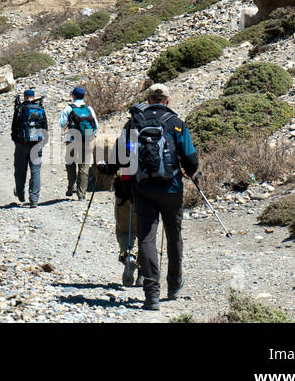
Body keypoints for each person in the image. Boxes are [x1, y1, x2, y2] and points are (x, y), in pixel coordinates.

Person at [125, 84, 199, 311]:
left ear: (148, 100)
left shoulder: (135, 122)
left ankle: (151, 294)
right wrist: (191, 171)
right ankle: (174, 284)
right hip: (171, 187)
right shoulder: (176, 123)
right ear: (167, 100)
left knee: (147, 237)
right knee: (173, 235)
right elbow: (191, 159)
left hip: (144, 187)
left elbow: (124, 152)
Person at [98, 115, 141, 287]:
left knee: (124, 230)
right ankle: (144, 273)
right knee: (146, 233)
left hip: (125, 193)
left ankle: (128, 254)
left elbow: (111, 167)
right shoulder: (159, 133)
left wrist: (102, 166)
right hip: (150, 194)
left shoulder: (125, 137)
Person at [58, 86, 100, 200]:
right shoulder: (89, 108)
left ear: (73, 96)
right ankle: (82, 194)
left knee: (70, 164)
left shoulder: (69, 108)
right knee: (84, 167)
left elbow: (61, 124)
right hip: (86, 140)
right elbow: (96, 125)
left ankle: (71, 186)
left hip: (72, 140)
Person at [10, 89, 47, 207]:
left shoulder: (20, 108)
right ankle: (34, 199)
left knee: (20, 171)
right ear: (33, 96)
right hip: (36, 144)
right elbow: (45, 127)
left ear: (25, 97)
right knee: (35, 171)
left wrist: (16, 140)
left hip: (21, 144)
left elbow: (14, 127)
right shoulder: (40, 108)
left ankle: (20, 194)